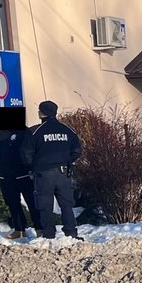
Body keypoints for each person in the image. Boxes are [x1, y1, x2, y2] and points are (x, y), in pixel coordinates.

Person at [21, 100, 83, 240]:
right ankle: (71, 233)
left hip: (44, 174)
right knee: (66, 205)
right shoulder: (67, 130)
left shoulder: (35, 131)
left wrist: (34, 166)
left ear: (41, 113)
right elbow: (77, 150)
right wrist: (67, 161)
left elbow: (26, 154)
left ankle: (49, 234)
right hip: (64, 173)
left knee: (45, 205)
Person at [0, 128, 37, 239]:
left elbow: (31, 150)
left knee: (32, 203)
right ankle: (19, 229)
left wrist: (32, 168)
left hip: (24, 175)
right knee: (12, 204)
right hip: (5, 176)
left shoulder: (24, 131)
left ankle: (40, 228)